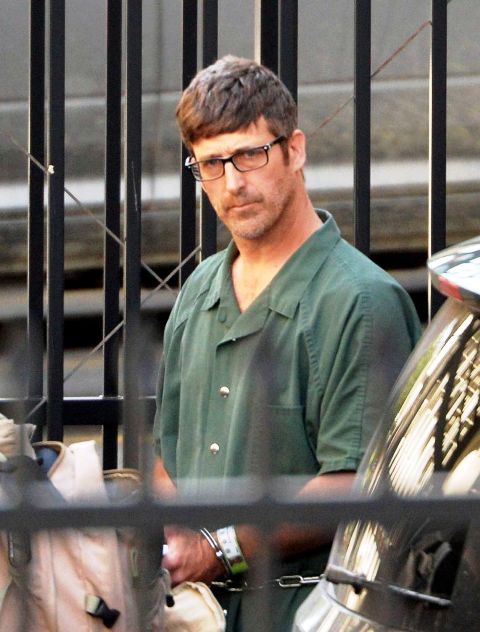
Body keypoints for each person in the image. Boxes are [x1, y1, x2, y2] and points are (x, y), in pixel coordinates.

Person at [152, 55, 422, 631]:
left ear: (295, 149)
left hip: (307, 615)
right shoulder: (200, 287)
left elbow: (359, 487)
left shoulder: (361, 301)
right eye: (210, 164)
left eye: (250, 154)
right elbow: (168, 454)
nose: (233, 183)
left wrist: (218, 549)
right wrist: (171, 541)